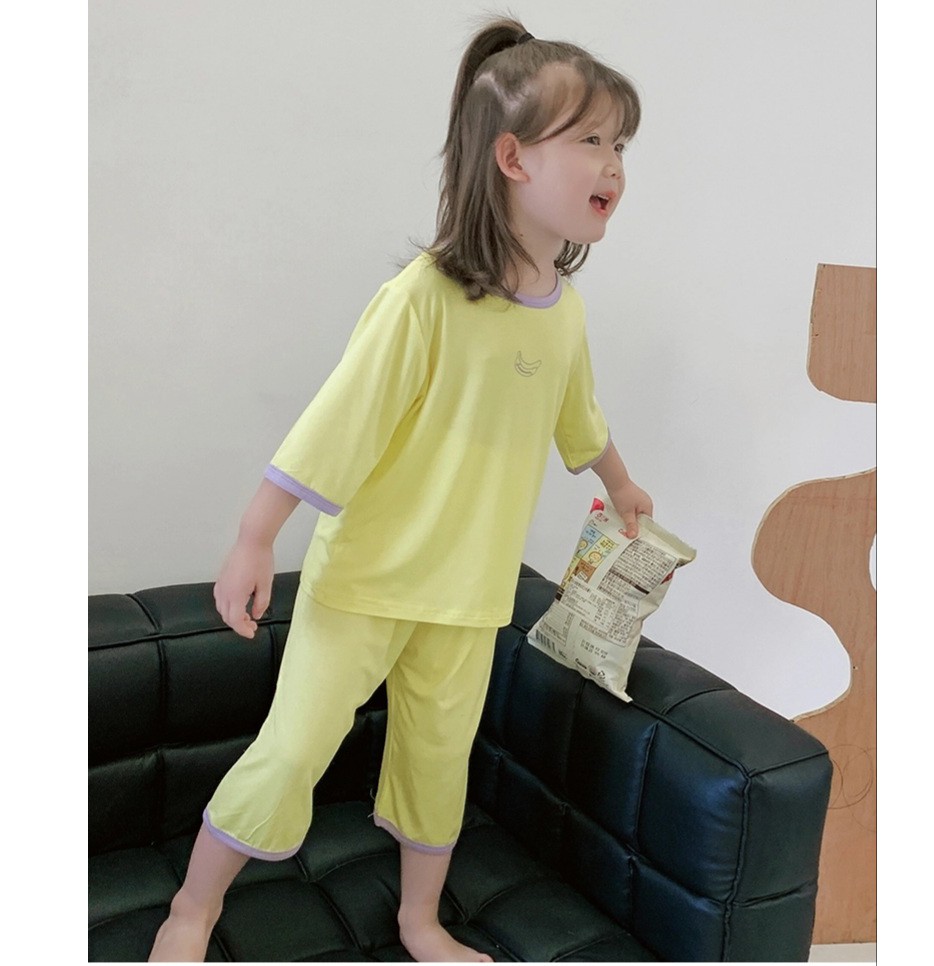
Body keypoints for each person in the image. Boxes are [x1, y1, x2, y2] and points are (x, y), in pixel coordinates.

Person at [149, 15, 652, 963]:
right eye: (591, 139)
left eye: (620, 143)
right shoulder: (423, 299)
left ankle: (421, 921)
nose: (614, 164)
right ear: (512, 157)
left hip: (470, 598)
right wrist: (255, 538)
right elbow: (334, 424)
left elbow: (577, 416)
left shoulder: (564, 312)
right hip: (366, 584)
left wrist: (622, 485)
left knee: (436, 761)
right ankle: (192, 907)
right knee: (292, 751)